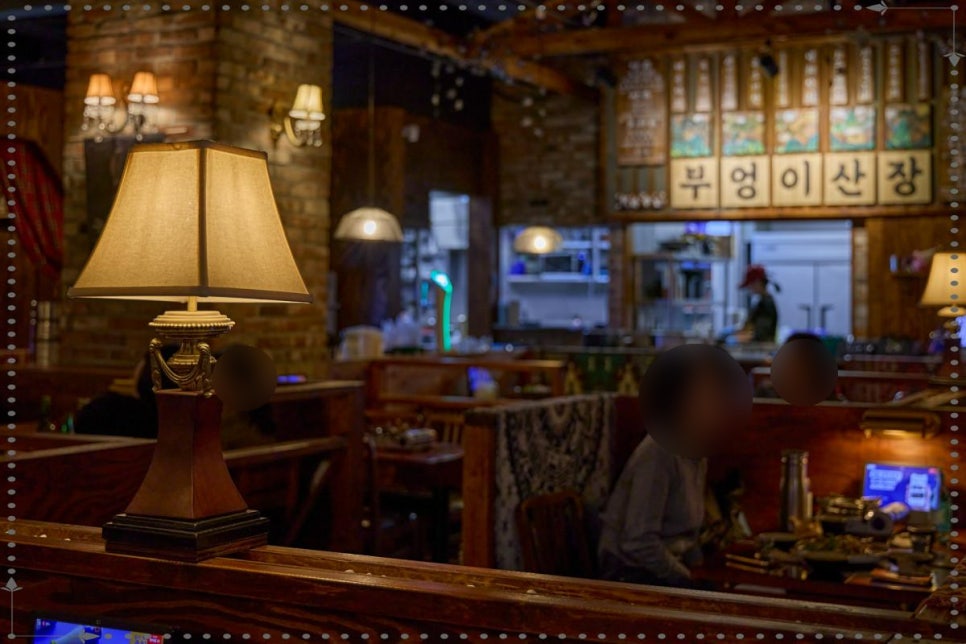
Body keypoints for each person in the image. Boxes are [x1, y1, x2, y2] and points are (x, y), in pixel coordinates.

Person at [597, 345, 750, 588]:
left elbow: (688, 540)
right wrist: (689, 581)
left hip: (665, 575)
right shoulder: (660, 451)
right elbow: (638, 542)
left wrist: (704, 577)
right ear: (682, 401)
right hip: (630, 577)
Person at [736, 264, 779, 343]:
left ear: (757, 282)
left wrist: (743, 337)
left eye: (750, 284)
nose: (749, 288)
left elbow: (761, 333)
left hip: (761, 347)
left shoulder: (767, 304)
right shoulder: (762, 301)